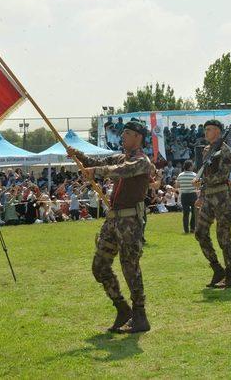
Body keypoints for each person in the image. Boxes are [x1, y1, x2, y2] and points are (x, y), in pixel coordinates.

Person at [67, 120, 153, 334]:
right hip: (113, 220)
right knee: (99, 267)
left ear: (138, 137)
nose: (122, 137)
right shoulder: (120, 157)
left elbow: (120, 171)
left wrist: (96, 171)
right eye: (123, 133)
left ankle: (140, 315)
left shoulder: (142, 161)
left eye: (127, 133)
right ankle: (122, 309)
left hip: (130, 221)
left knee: (130, 267)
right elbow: (96, 162)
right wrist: (77, 154)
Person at [194, 119, 231, 288]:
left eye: (209, 129)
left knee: (223, 236)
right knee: (200, 232)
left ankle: (230, 274)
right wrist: (202, 194)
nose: (206, 132)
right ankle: (217, 269)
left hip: (222, 197)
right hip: (209, 198)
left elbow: (223, 174)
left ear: (218, 131)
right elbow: (207, 172)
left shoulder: (225, 150)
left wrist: (202, 179)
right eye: (205, 129)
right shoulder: (207, 151)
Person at [176, 160, 197, 234]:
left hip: (184, 195)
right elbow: (197, 185)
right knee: (194, 212)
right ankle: (192, 228)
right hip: (193, 195)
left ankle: (186, 230)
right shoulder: (194, 175)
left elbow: (177, 186)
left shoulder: (180, 175)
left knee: (185, 213)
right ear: (190, 166)